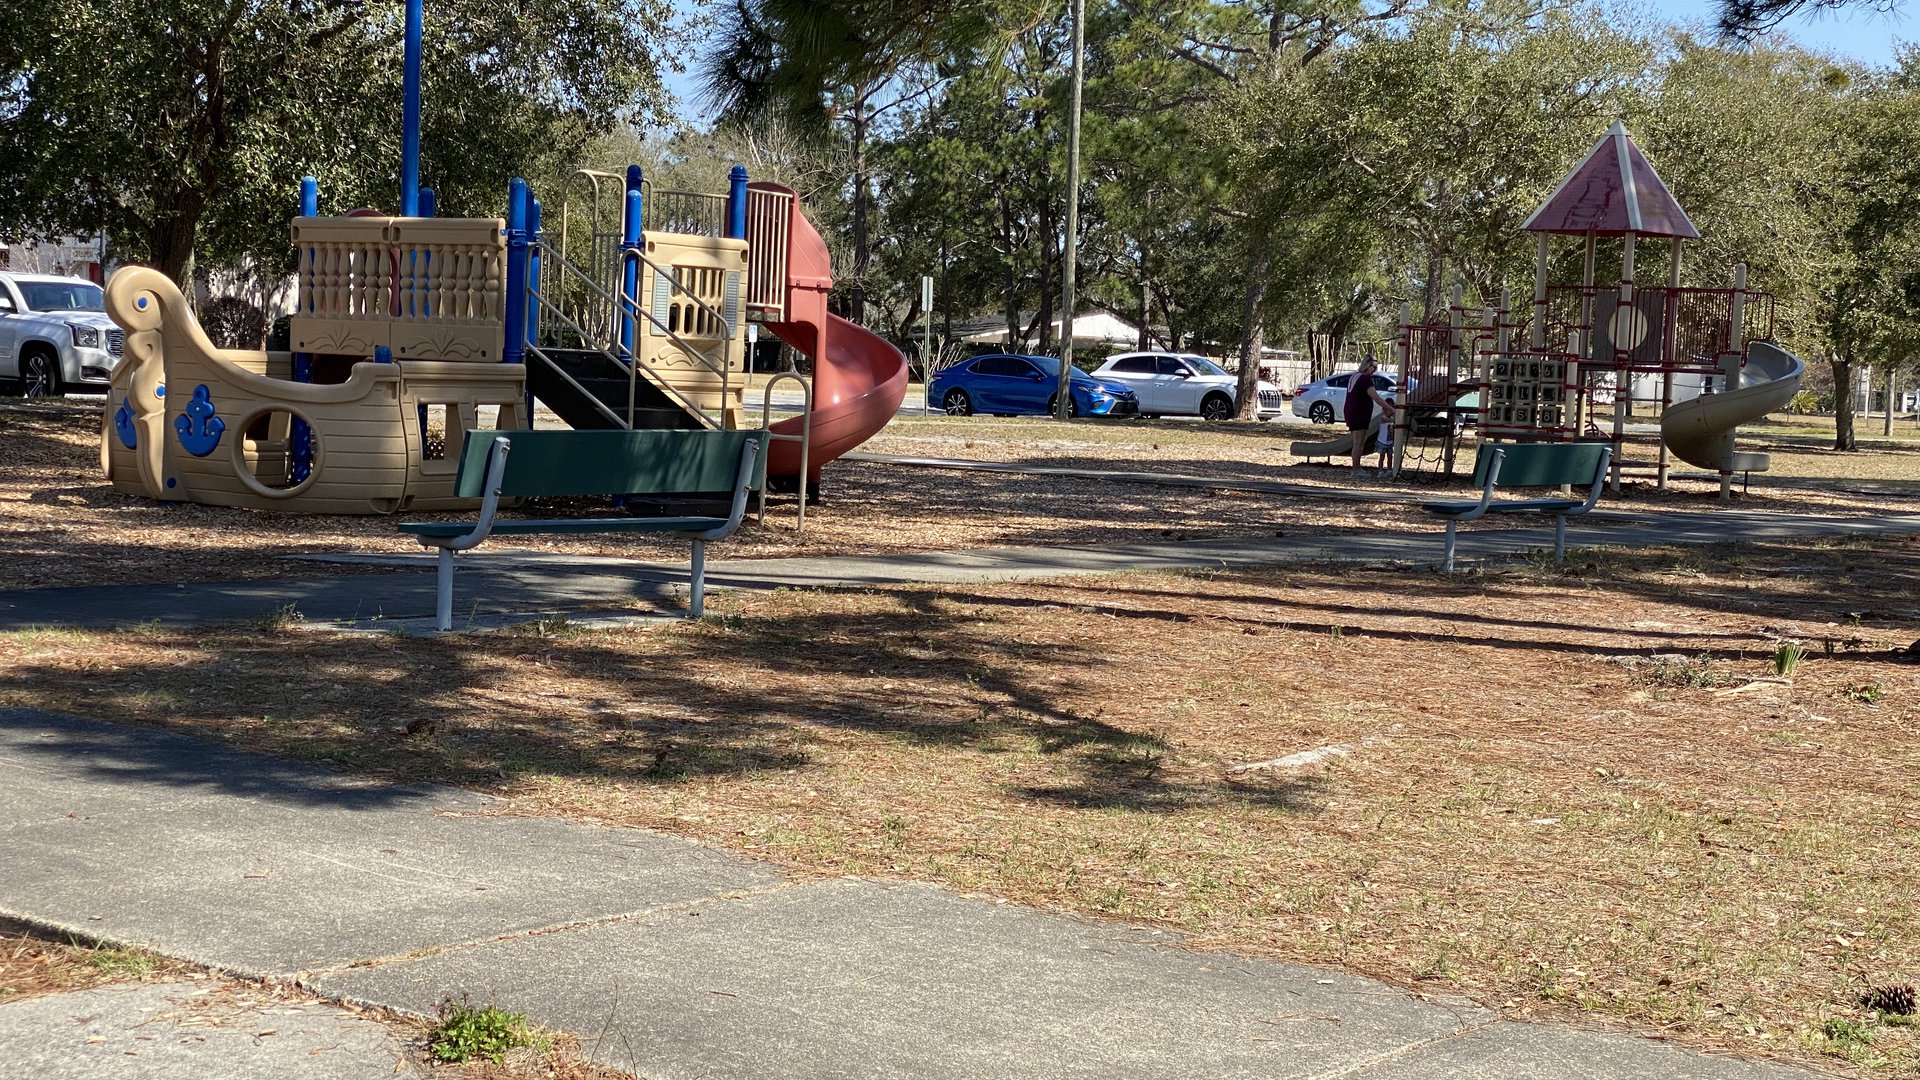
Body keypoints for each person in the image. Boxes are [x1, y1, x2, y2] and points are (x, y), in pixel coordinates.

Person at [1345, 355, 1397, 474]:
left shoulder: (1355, 376)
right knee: (1359, 442)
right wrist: (1392, 409)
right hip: (1359, 413)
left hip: (1352, 412)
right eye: (1372, 367)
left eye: (1375, 368)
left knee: (1357, 441)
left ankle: (1356, 467)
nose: (1373, 370)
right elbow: (1377, 398)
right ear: (1366, 365)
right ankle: (1356, 469)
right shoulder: (1364, 379)